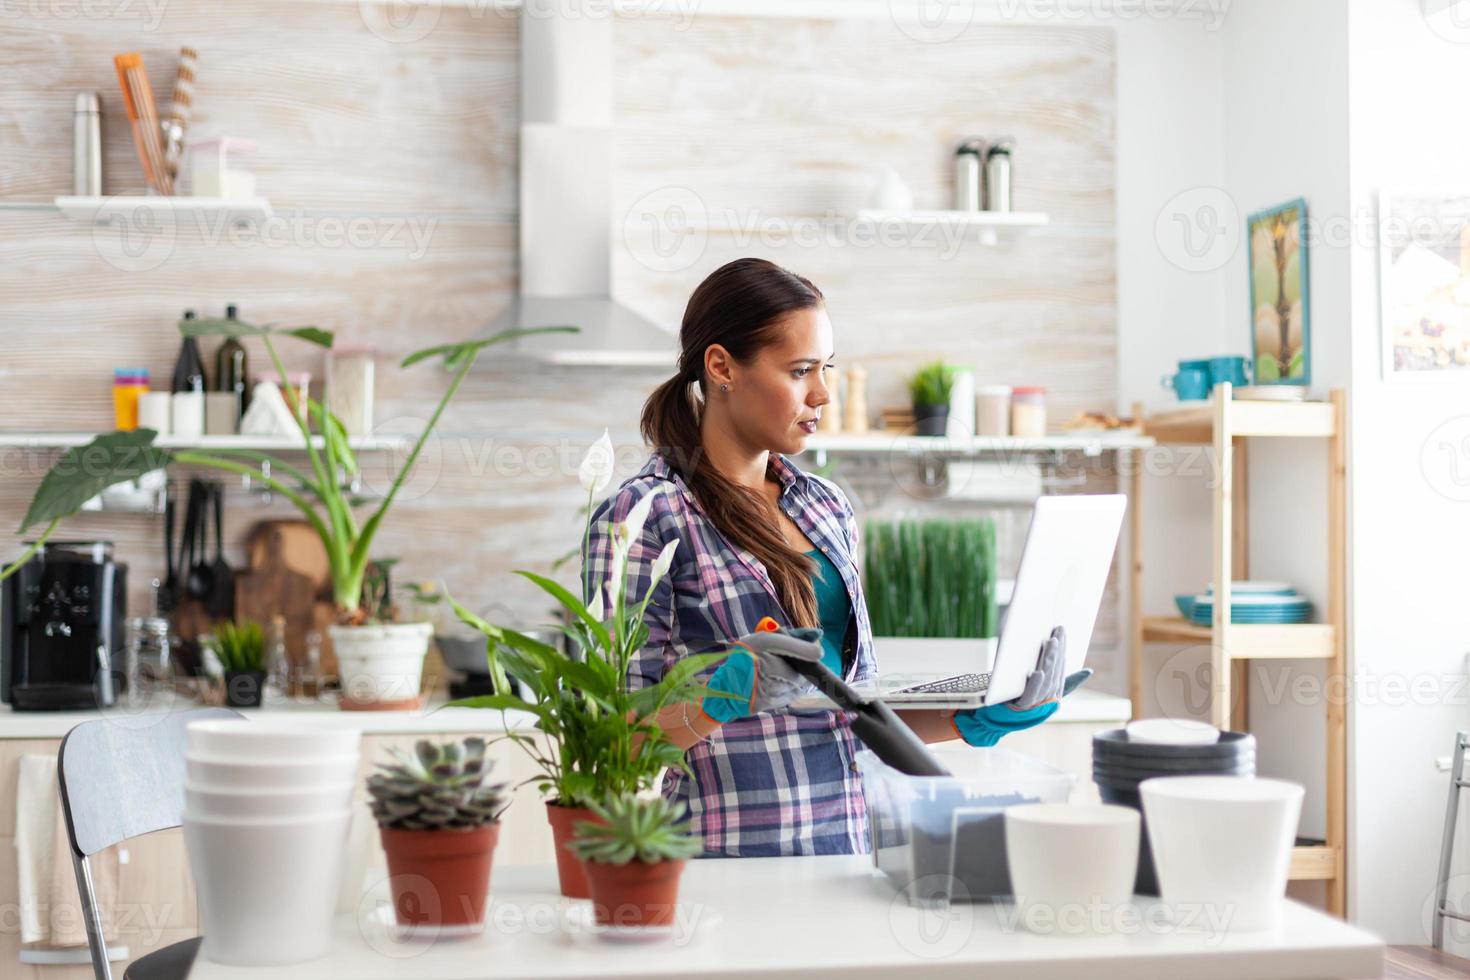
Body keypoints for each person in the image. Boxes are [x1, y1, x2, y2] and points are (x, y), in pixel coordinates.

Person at [582, 257, 1063, 858]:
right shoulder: (643, 517)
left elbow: (854, 715)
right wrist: (717, 701)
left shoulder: (825, 506)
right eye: (800, 370)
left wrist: (972, 716)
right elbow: (613, 744)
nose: (823, 394)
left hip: (857, 850)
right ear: (722, 366)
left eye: (825, 368)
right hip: (725, 861)